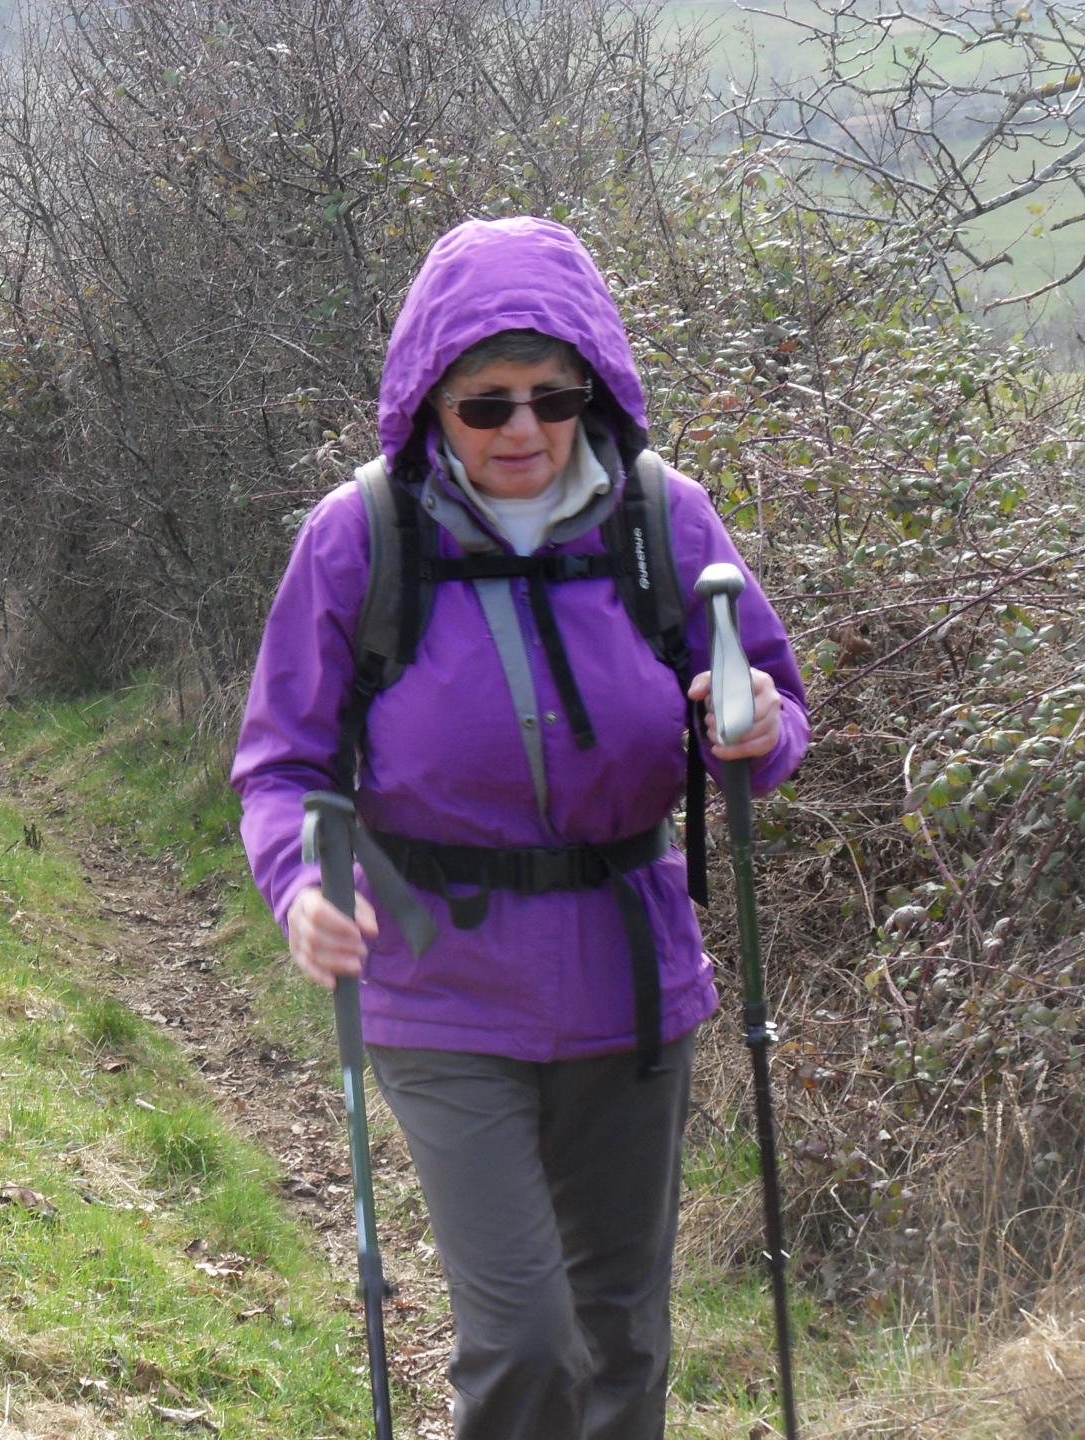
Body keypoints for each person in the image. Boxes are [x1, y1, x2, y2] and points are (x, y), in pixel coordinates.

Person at [230, 216, 810, 1440]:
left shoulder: (662, 519)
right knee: (525, 1341)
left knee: (625, 1339)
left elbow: (766, 698)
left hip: (634, 982)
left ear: (591, 389)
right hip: (440, 984)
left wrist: (755, 737)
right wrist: (299, 887)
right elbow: (282, 762)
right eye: (484, 405)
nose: (525, 431)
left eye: (552, 397)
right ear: (429, 402)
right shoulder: (362, 538)